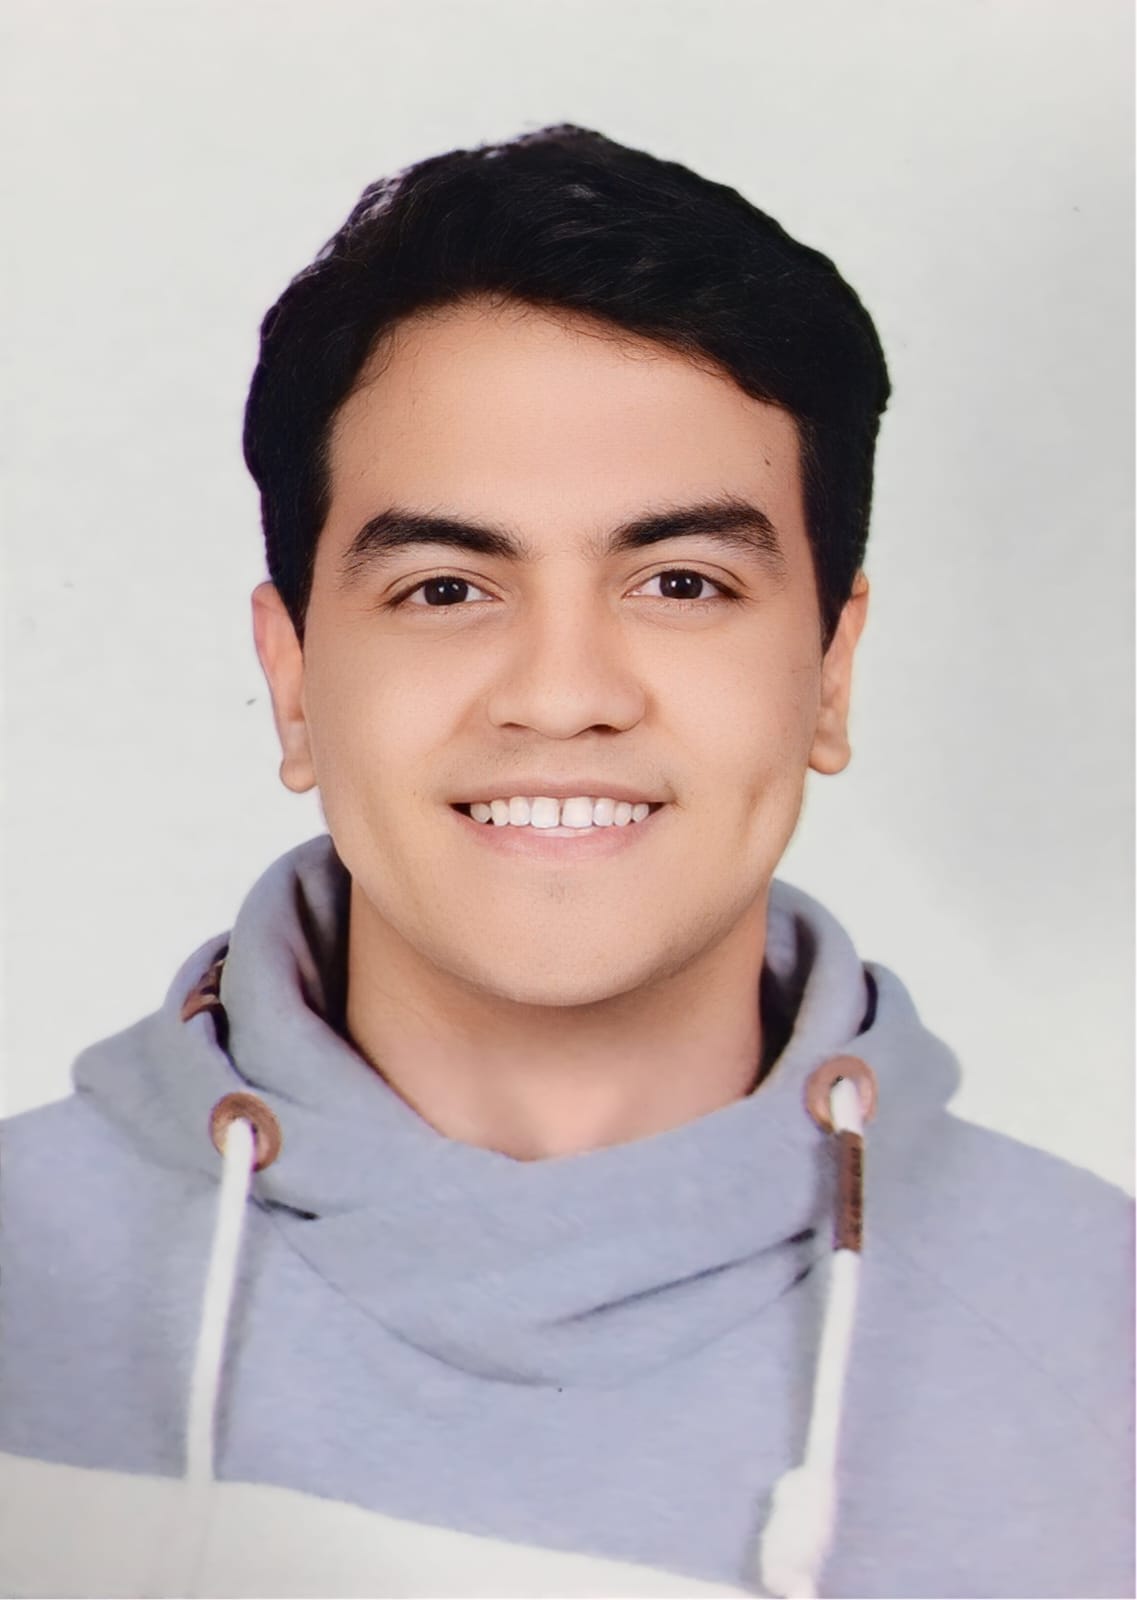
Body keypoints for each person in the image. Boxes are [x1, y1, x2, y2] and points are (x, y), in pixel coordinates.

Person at [1, 123, 1131, 1600]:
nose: (560, 692)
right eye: (446, 587)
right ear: (294, 682)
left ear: (831, 673)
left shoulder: (1102, 1339)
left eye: (681, 582)